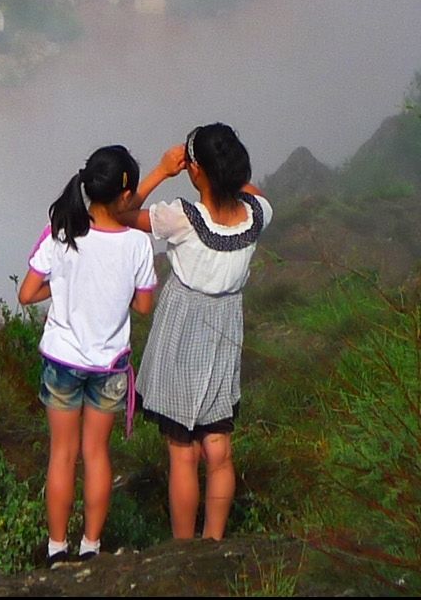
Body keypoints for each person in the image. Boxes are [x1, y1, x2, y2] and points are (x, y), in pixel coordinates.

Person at [18, 145, 157, 565]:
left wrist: (59, 289)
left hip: (62, 361)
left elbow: (26, 294)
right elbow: (144, 305)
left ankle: (57, 548)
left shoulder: (63, 232)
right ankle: (92, 546)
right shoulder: (137, 244)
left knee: (62, 454)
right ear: (127, 190)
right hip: (109, 366)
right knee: (97, 454)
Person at [132, 122, 271, 541]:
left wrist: (160, 170)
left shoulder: (182, 218)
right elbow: (253, 192)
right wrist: (220, 166)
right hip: (225, 332)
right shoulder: (259, 215)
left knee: (183, 452)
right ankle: (214, 541)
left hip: (182, 331)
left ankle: (183, 547)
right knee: (218, 448)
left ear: (195, 171)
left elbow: (119, 214)